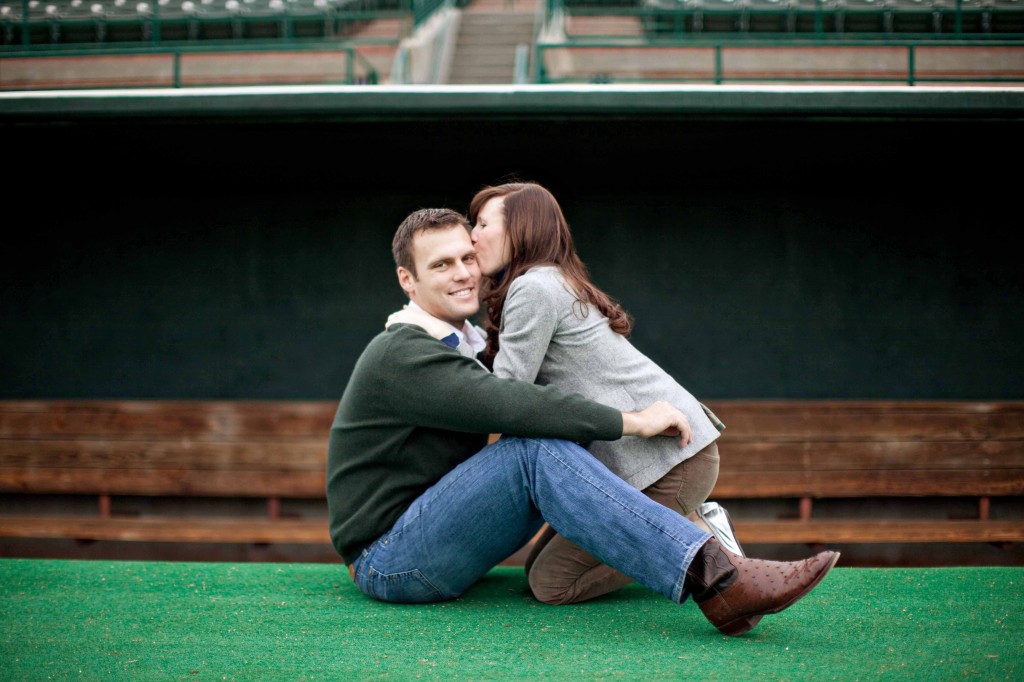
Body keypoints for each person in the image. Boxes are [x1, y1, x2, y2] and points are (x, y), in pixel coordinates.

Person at [328, 206, 839, 637]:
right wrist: (630, 421)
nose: (463, 273)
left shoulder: (462, 347)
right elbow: (511, 404)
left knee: (545, 552)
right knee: (530, 447)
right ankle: (720, 579)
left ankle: (705, 545)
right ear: (407, 280)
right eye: (441, 264)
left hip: (429, 539)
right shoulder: (401, 353)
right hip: (389, 561)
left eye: (468, 257)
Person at [387, 181, 745, 606]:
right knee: (536, 567)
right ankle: (687, 531)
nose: (473, 235)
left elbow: (505, 394)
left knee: (552, 584)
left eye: (482, 225)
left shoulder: (533, 288)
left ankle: (704, 542)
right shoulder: (544, 281)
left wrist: (429, 332)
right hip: (660, 456)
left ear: (522, 231)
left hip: (667, 461)